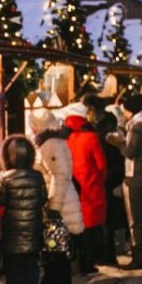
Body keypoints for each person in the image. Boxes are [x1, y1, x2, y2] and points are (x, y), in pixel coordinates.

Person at [29, 108, 84, 284]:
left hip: (60, 204)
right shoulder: (53, 142)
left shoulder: (51, 144)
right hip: (61, 202)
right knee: (57, 249)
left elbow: (60, 176)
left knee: (56, 249)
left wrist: (54, 206)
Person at [106, 94, 142, 270]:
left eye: (127, 111)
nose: (125, 114)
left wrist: (118, 142)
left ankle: (139, 256)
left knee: (135, 218)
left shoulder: (137, 128)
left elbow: (129, 152)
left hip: (135, 176)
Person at [0, 135, 47, 284]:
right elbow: (43, 198)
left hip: (13, 227)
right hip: (33, 226)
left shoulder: (6, 177)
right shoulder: (37, 176)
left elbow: (0, 201)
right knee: (32, 264)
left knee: (13, 266)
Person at [63, 101, 108, 274]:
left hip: (71, 188)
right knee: (91, 228)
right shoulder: (91, 137)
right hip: (91, 188)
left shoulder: (65, 137)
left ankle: (74, 261)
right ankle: (87, 263)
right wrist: (99, 180)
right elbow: (101, 165)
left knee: (75, 226)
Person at [90, 95, 127, 265]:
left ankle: (107, 253)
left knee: (106, 217)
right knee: (109, 217)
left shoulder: (103, 131)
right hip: (113, 175)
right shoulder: (109, 126)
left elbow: (104, 157)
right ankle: (108, 252)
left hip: (108, 177)